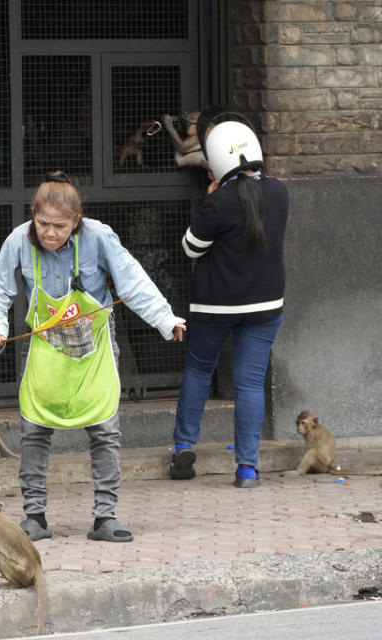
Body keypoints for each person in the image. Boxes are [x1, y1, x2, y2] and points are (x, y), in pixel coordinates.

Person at [0, 171, 186, 543]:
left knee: (105, 430)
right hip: (45, 348)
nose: (50, 232)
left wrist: (165, 319)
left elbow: (133, 281)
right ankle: (35, 516)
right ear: (33, 215)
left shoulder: (98, 237)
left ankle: (105, 517)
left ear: (77, 220)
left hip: (95, 349)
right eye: (42, 223)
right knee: (34, 431)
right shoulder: (18, 241)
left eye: (60, 225)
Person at [169, 110, 288, 488]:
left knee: (199, 370)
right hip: (266, 304)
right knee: (250, 383)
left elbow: (191, 247)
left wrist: (210, 199)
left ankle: (184, 446)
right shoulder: (280, 192)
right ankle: (247, 468)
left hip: (215, 305)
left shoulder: (218, 201)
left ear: (217, 160)